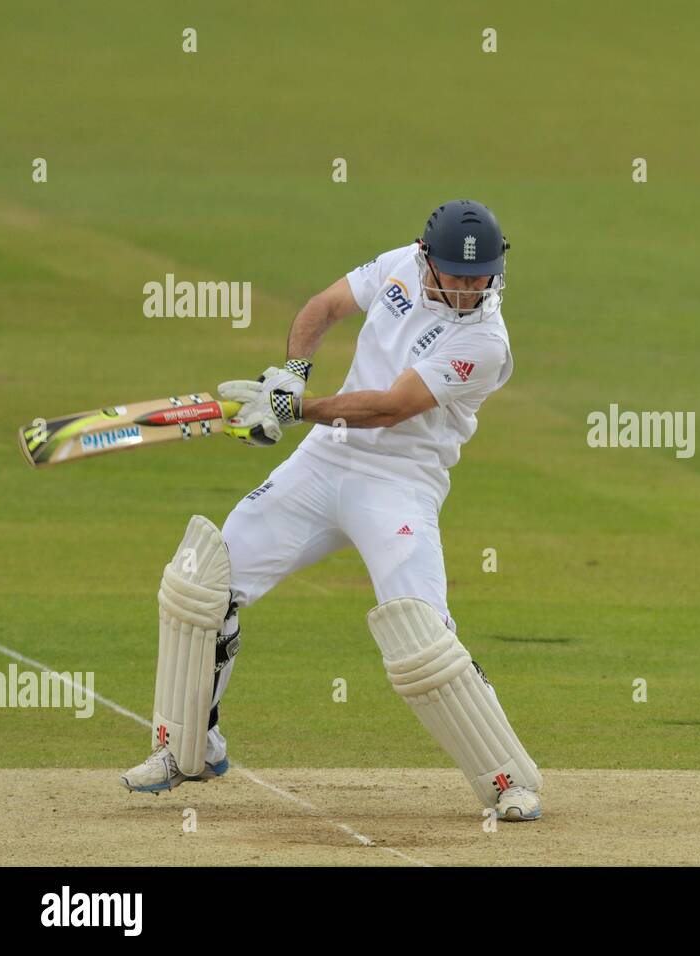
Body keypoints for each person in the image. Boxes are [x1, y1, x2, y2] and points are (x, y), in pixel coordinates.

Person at [121, 199, 543, 822]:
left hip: (400, 482)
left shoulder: (484, 341)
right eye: (455, 273)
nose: (469, 287)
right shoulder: (400, 265)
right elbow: (323, 307)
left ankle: (510, 778)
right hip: (323, 463)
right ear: (426, 258)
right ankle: (186, 749)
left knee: (422, 637)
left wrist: (295, 408)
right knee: (202, 585)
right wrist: (290, 375)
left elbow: (392, 408)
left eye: (480, 276)